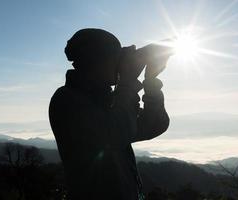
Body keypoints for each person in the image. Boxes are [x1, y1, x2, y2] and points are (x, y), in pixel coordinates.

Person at [49, 28, 171, 200]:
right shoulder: (67, 99)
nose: (121, 64)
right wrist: (127, 81)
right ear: (94, 61)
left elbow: (155, 124)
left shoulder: (111, 100)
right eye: (116, 58)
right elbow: (117, 133)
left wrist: (150, 81)